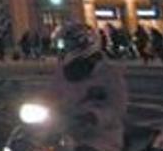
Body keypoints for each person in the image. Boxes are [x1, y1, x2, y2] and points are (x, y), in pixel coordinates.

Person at [49, 22, 128, 151]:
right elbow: (51, 94)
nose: (65, 48)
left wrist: (94, 116)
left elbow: (117, 106)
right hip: (65, 131)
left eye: (69, 44)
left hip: (99, 135)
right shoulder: (62, 71)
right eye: (63, 44)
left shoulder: (107, 72)